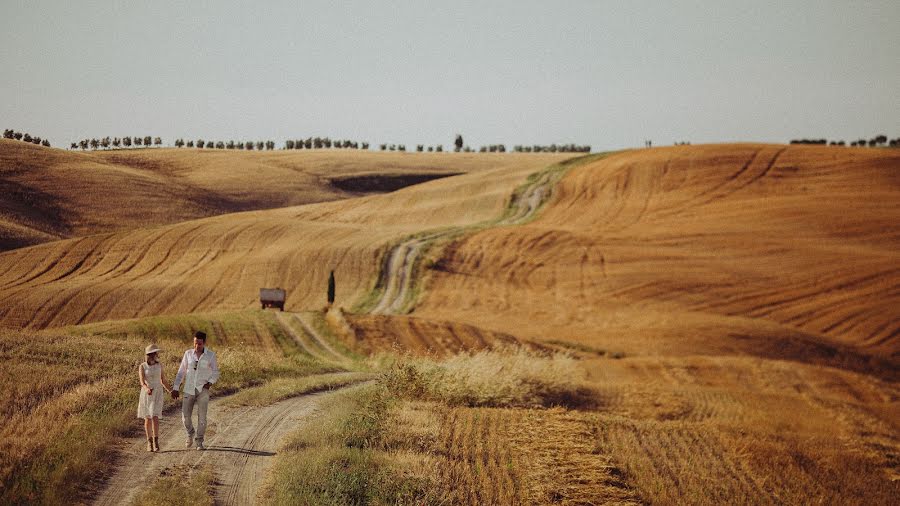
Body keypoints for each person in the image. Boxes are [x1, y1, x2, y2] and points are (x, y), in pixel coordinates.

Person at [171, 331, 220, 450]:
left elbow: (215, 372)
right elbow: (181, 371)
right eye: (195, 343)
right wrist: (176, 387)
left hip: (203, 389)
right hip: (189, 388)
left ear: (204, 343)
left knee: (202, 417)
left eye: (199, 344)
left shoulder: (210, 355)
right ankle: (190, 433)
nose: (196, 346)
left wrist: (210, 382)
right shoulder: (188, 354)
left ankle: (199, 441)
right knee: (185, 417)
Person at [137, 344, 174, 452]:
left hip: (158, 392)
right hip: (147, 392)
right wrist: (146, 388)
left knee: (155, 416)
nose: (155, 355)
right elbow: (142, 381)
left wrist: (170, 391)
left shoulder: (159, 365)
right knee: (148, 418)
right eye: (152, 353)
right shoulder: (142, 366)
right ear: (148, 355)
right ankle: (149, 443)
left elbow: (163, 380)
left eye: (155, 353)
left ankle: (156, 441)